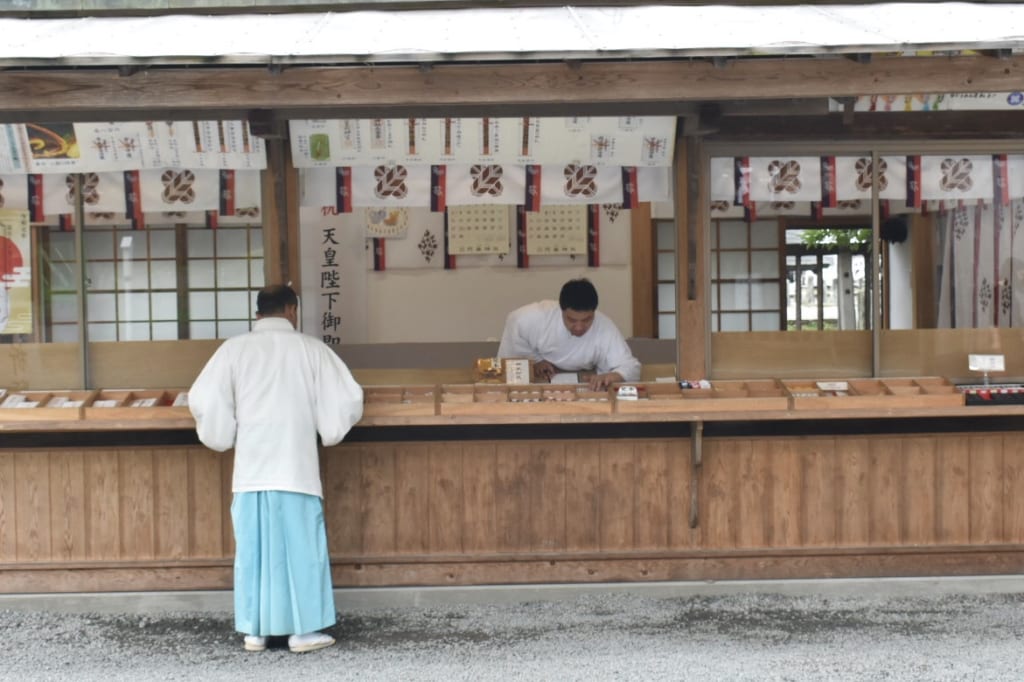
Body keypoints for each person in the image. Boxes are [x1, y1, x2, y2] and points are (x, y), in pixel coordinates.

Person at [188, 284, 363, 654]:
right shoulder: (311, 349)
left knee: (253, 550)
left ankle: (255, 631)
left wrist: (226, 433)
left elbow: (203, 399)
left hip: (251, 467)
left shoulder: (233, 350)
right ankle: (303, 632)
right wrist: (327, 428)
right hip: (296, 464)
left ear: (257, 313)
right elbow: (347, 398)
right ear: (291, 310)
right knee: (302, 548)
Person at [497, 278, 641, 390]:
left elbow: (631, 366)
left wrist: (614, 375)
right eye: (571, 320)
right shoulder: (534, 317)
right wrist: (535, 360)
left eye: (587, 320)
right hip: (541, 379)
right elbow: (514, 327)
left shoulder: (605, 326)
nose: (579, 327)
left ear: (594, 312)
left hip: (585, 381)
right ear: (561, 310)